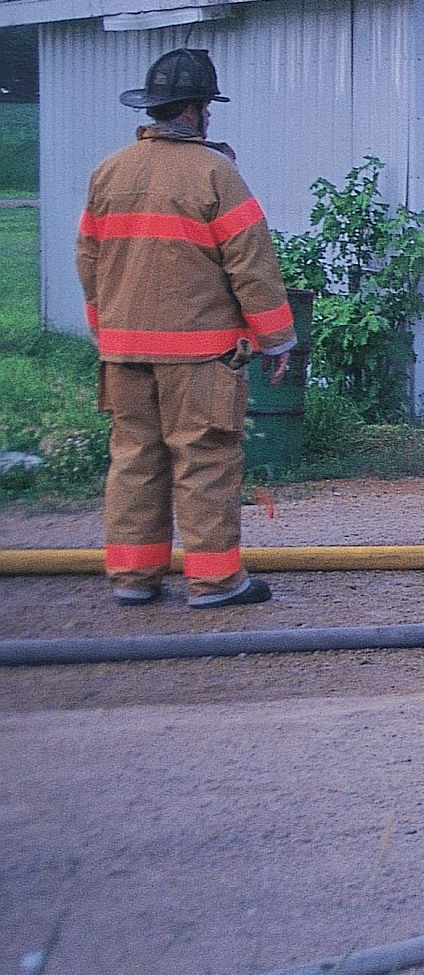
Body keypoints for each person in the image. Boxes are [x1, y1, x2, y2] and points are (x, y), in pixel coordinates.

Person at [73, 50, 295, 609]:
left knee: (134, 460)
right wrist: (276, 339)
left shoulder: (110, 170)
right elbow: (252, 264)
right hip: (199, 356)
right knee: (205, 461)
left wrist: (108, 330)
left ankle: (133, 580)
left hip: (124, 352)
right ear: (198, 111)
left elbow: (89, 260)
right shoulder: (216, 173)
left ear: (151, 110)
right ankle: (216, 581)